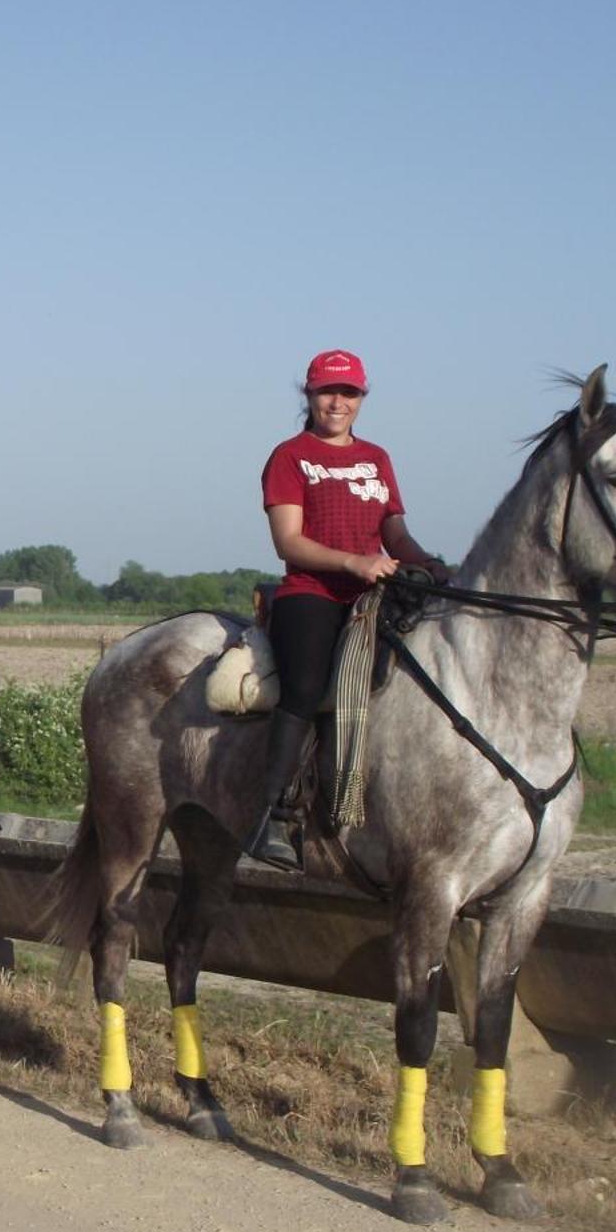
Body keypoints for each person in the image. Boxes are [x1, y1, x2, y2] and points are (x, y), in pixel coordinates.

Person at [247, 349, 449, 870]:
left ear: (362, 399)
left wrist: (430, 564)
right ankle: (273, 814)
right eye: (327, 392)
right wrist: (353, 562)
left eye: (349, 393)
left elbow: (395, 534)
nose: (338, 402)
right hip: (312, 592)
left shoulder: (377, 458)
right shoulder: (290, 456)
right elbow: (288, 542)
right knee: (307, 687)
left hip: (371, 595)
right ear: (309, 396)